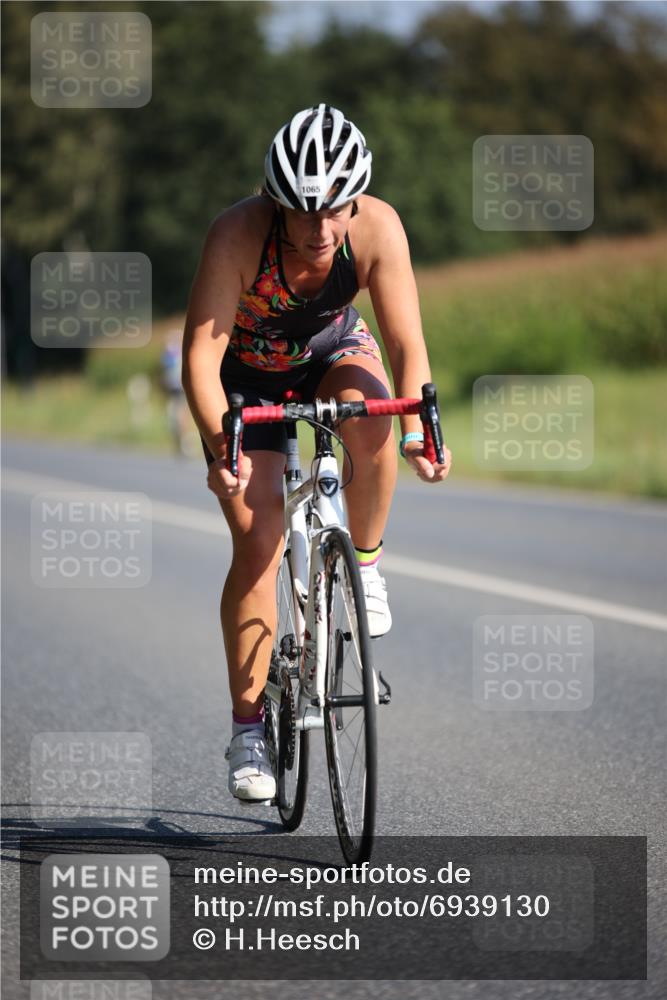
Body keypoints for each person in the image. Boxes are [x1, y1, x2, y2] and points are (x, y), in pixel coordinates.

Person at [182, 104, 451, 804]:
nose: (321, 229)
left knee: (373, 420)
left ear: (354, 199)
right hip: (247, 378)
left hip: (331, 351)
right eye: (303, 213)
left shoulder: (378, 228)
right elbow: (199, 364)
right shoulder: (236, 235)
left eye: (335, 210)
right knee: (258, 534)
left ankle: (364, 564)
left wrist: (422, 427)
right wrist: (222, 450)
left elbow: (405, 344)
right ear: (274, 203)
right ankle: (247, 730)